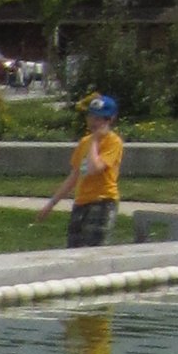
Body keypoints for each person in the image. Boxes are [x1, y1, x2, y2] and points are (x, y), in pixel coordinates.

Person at [45, 94, 124, 249]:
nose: (93, 122)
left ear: (110, 119)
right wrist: (52, 203)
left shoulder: (113, 142)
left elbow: (95, 168)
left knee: (92, 250)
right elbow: (75, 175)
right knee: (73, 249)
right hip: (81, 202)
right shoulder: (84, 142)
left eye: (99, 118)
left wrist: (95, 141)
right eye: (91, 116)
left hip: (103, 202)